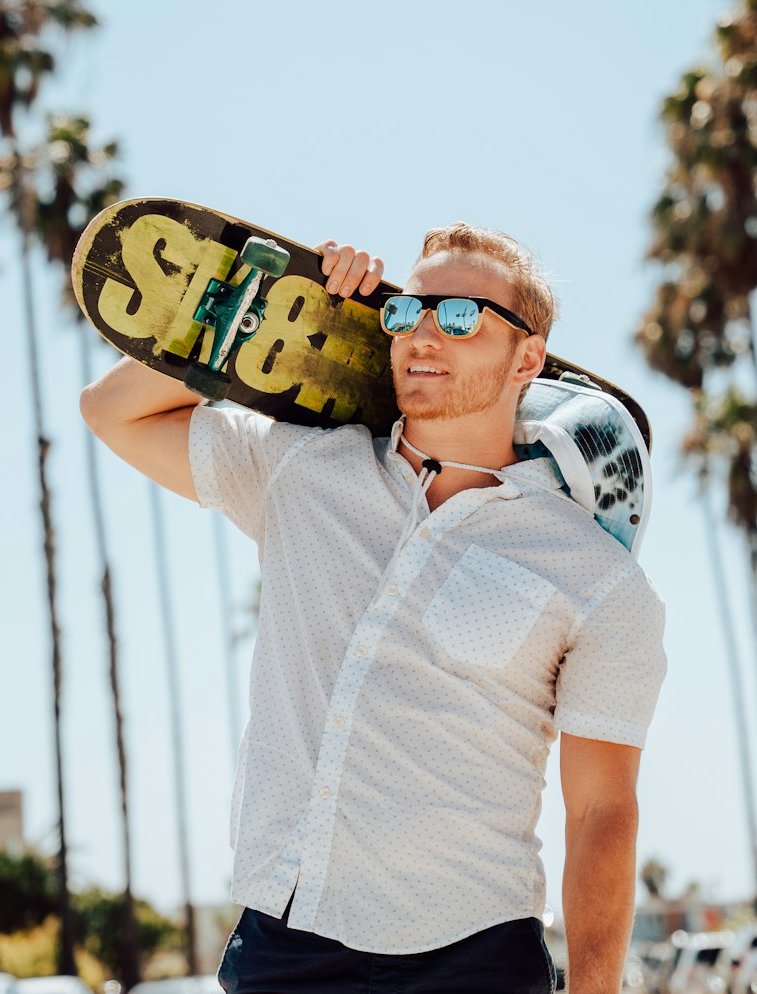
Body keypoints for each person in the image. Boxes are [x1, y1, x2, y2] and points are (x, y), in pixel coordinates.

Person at [80, 222, 667, 994]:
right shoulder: (302, 468)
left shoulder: (594, 574)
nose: (425, 334)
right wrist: (283, 311)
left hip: (473, 957)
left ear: (528, 357)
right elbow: (110, 410)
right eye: (406, 312)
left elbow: (601, 812)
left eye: (460, 317)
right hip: (285, 942)